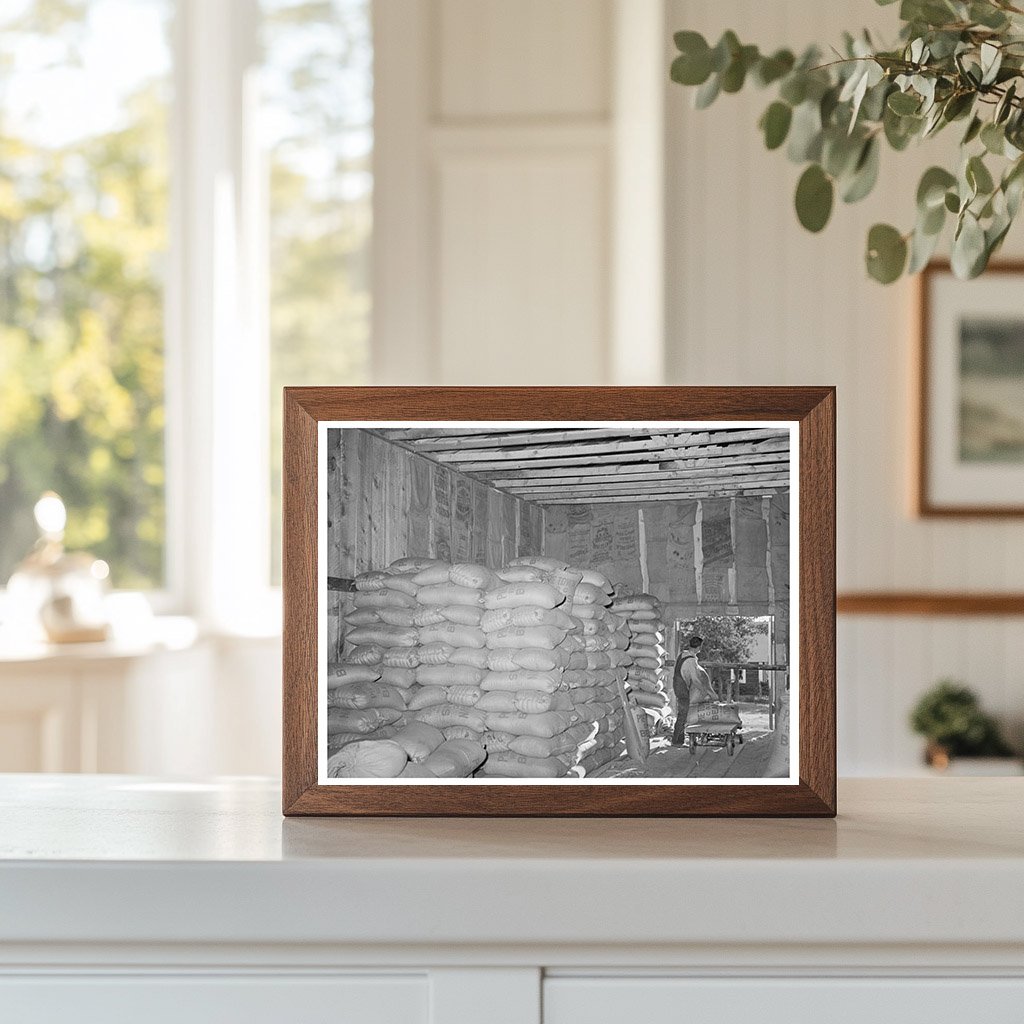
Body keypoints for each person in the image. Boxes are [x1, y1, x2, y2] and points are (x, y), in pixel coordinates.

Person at [671, 635, 718, 746]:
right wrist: (704, 692)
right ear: (699, 647)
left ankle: (678, 739)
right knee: (683, 714)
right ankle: (677, 741)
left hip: (677, 684)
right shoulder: (691, 661)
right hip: (682, 688)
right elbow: (696, 680)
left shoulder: (682, 654)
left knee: (682, 713)